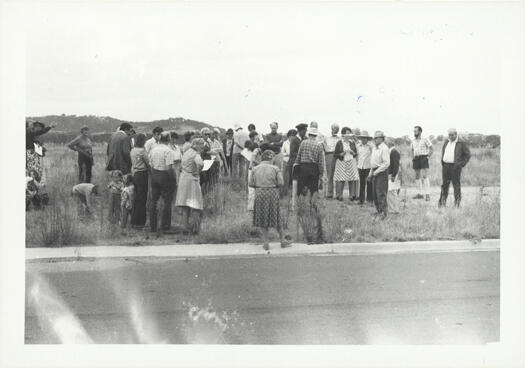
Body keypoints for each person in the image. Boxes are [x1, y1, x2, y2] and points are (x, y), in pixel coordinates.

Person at [249, 149, 291, 251]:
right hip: (272, 193)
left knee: (262, 217)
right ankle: (282, 240)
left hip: (260, 193)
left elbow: (250, 183)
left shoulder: (255, 169)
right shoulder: (275, 168)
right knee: (276, 217)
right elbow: (281, 183)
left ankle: (266, 242)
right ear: (271, 158)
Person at [149, 132, 178, 233]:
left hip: (154, 174)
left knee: (154, 201)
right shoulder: (168, 151)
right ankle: (165, 226)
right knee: (167, 201)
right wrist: (174, 179)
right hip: (165, 175)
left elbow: (151, 164)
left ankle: (152, 226)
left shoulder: (153, 149)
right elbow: (170, 168)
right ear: (169, 139)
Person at [176, 137, 206, 234]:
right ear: (196, 145)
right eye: (201, 146)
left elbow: (180, 166)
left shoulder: (186, 152)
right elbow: (201, 163)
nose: (202, 148)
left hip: (183, 179)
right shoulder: (195, 154)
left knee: (185, 206)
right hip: (192, 180)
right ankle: (195, 229)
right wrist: (198, 171)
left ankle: (185, 228)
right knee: (196, 205)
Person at [438, 128, 471, 207]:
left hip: (455, 167)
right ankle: (442, 203)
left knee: (456, 185)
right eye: (449, 135)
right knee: (444, 185)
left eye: (452, 135)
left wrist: (461, 164)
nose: (450, 137)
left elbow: (468, 155)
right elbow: (444, 152)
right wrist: (443, 161)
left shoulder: (461, 143)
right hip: (445, 166)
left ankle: (457, 204)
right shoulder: (446, 142)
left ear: (456, 134)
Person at [295, 127, 326, 197]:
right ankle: (312, 204)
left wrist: (296, 166)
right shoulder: (319, 145)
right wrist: (321, 173)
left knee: (302, 187)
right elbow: (321, 161)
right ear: (316, 135)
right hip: (314, 168)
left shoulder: (303, 142)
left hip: (303, 167)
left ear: (309, 134)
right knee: (313, 189)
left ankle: (301, 203)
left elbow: (298, 156)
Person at [369, 131, 390, 219]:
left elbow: (386, 163)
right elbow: (373, 162)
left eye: (377, 138)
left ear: (382, 138)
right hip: (374, 171)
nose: (375, 139)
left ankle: (383, 213)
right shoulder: (374, 148)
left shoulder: (384, 148)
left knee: (381, 193)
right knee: (374, 193)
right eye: (374, 138)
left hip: (382, 172)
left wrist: (376, 172)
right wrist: (371, 173)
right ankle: (378, 210)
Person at [333, 127, 358, 202]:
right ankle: (340, 195)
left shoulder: (352, 143)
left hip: (351, 161)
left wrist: (353, 153)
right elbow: (335, 154)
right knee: (341, 179)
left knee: (351, 179)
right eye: (347, 133)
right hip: (342, 162)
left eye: (349, 133)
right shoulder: (339, 142)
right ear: (343, 134)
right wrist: (341, 154)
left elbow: (356, 153)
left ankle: (351, 195)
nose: (349, 135)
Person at [130, 133, 149, 228]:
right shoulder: (142, 151)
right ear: (142, 141)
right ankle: (140, 222)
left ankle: (134, 220)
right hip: (142, 174)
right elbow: (148, 162)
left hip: (135, 174)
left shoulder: (133, 150)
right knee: (142, 199)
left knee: (136, 198)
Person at [410, 125, 433, 201]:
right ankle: (419, 194)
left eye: (416, 131)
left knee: (425, 176)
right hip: (416, 158)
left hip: (424, 157)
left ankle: (427, 194)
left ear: (420, 131)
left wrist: (427, 157)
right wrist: (412, 157)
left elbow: (431, 148)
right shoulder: (413, 140)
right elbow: (412, 149)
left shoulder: (425, 139)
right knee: (417, 176)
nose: (414, 132)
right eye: (414, 131)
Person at [357, 130, 374, 205]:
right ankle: (361, 200)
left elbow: (374, 155)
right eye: (362, 138)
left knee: (369, 183)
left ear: (367, 139)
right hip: (360, 167)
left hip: (368, 167)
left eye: (365, 138)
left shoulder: (371, 146)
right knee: (361, 183)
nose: (363, 139)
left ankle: (370, 199)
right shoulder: (358, 146)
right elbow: (358, 156)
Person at [323, 124, 340, 199]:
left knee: (338, 175)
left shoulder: (339, 139)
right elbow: (323, 146)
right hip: (329, 155)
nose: (335, 130)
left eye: (336, 129)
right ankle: (330, 193)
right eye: (334, 129)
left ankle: (338, 194)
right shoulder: (326, 138)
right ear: (331, 129)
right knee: (330, 174)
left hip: (337, 156)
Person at [386, 138, 401, 214]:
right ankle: (394, 209)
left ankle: (394, 209)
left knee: (391, 192)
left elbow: (396, 165)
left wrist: (393, 175)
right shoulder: (392, 151)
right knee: (392, 192)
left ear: (389, 144)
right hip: (391, 174)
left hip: (392, 174)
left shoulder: (394, 152)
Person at [282, 129, 296, 195]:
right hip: (286, 160)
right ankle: (285, 191)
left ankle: (292, 191)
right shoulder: (285, 143)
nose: (292, 137)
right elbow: (282, 152)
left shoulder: (295, 142)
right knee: (286, 176)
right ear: (289, 136)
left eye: (293, 135)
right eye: (291, 135)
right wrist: (287, 154)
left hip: (293, 161)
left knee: (292, 176)